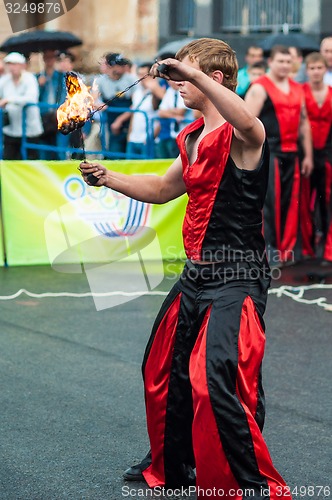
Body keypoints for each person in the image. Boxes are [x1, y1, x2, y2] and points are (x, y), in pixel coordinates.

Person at [80, 38, 291, 499]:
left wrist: (189, 70)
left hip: (236, 277)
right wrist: (107, 177)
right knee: (161, 369)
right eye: (176, 74)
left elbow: (250, 121)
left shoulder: (242, 136)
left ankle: (247, 484)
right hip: (196, 274)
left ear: (213, 80)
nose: (176, 81)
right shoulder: (192, 137)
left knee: (213, 380)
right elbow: (160, 188)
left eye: (186, 75)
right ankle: (175, 464)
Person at [245, 45, 313, 266]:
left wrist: (308, 156)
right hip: (269, 152)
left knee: (291, 203)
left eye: (288, 62)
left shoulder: (297, 87)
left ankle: (287, 251)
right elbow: (245, 124)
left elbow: (304, 123)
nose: (285, 66)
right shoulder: (259, 88)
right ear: (271, 62)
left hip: (292, 154)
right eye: (280, 61)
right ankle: (265, 252)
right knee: (268, 204)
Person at [300, 52, 332, 261]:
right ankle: (307, 247)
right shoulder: (300, 92)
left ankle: (327, 247)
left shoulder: (331, 92)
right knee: (304, 201)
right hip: (306, 154)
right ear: (307, 70)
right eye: (312, 68)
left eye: (319, 68)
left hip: (328, 153)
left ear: (325, 69)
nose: (316, 72)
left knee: (326, 200)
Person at [111, 62, 165, 158]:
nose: (142, 78)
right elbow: (134, 113)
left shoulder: (156, 91)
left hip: (148, 139)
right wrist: (129, 136)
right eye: (139, 74)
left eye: (145, 75)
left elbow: (165, 103)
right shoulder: (137, 92)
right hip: (133, 139)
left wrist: (154, 87)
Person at [0, 52, 43, 160]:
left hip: (29, 129)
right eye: (9, 64)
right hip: (11, 129)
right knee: (9, 160)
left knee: (32, 160)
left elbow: (31, 98)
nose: (12, 67)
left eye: (15, 64)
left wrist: (9, 100)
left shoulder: (30, 79)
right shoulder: (4, 80)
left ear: (22, 65)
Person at [94, 52, 136, 158]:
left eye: (123, 64)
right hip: (110, 121)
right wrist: (100, 104)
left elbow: (136, 103)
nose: (123, 67)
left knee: (130, 154)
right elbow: (93, 100)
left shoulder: (131, 79)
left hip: (129, 120)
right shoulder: (101, 81)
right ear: (110, 66)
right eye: (118, 64)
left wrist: (120, 120)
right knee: (113, 152)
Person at [36, 49, 66, 159]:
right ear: (43, 59)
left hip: (57, 116)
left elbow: (64, 95)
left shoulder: (61, 77)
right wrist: (40, 86)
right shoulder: (38, 77)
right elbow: (35, 97)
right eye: (47, 57)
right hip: (43, 117)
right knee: (43, 150)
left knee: (59, 150)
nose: (49, 60)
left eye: (51, 57)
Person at [155, 79, 194, 158]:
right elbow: (160, 112)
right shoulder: (169, 91)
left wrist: (168, 111)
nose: (171, 82)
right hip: (174, 135)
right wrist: (174, 115)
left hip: (186, 136)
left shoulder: (185, 90)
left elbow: (180, 111)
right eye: (169, 80)